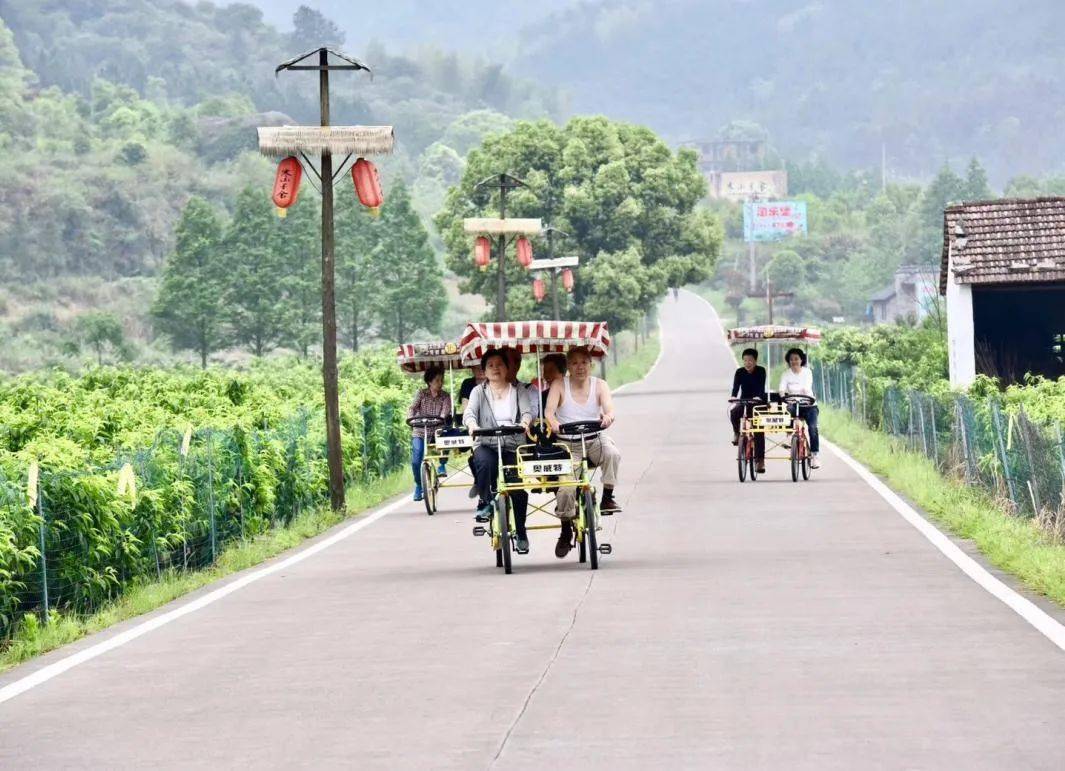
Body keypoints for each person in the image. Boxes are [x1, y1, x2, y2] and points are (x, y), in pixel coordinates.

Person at [545, 346, 621, 558]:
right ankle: (566, 528)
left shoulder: (600, 385)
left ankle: (607, 496)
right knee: (566, 489)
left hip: (594, 439)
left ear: (591, 364)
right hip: (568, 445)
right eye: (575, 363)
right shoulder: (560, 385)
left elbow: (610, 409)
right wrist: (554, 424)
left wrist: (607, 418)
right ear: (568, 366)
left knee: (613, 453)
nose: (580, 367)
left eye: (584, 362)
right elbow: (549, 412)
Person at [463, 349, 533, 553]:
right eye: (490, 365)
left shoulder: (518, 389)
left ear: (507, 367)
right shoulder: (478, 391)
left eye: (499, 364)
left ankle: (521, 532)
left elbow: (527, 411)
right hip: (486, 441)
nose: (495, 368)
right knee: (484, 463)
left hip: (512, 442)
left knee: (518, 491)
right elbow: (469, 413)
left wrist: (525, 422)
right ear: (484, 371)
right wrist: (472, 426)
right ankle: (485, 501)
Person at [407, 366, 452, 501]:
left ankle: (442, 465)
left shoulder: (445, 396)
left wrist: (442, 417)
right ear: (430, 382)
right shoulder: (421, 393)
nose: (440, 383)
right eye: (437, 380)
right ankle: (419, 485)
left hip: (437, 429)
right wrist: (411, 418)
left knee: (447, 437)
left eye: (441, 380)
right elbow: (412, 408)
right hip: (420, 429)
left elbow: (445, 410)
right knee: (416, 459)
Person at [779, 347, 821, 469]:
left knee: (812, 428)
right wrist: (783, 397)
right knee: (787, 411)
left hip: (809, 405)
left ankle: (814, 455)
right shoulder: (786, 374)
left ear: (801, 360)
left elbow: (806, 388)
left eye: (796, 359)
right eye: (791, 359)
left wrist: (800, 394)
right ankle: (789, 437)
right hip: (793, 404)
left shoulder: (807, 372)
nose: (794, 361)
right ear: (788, 361)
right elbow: (782, 389)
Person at [730, 347, 767, 474]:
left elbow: (761, 387)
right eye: (745, 360)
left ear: (755, 361)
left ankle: (760, 461)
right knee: (734, 412)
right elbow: (735, 387)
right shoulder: (739, 372)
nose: (747, 363)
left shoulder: (761, 371)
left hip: (757, 402)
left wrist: (757, 397)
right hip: (744, 400)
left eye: (750, 360)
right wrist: (734, 397)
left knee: (758, 429)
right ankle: (736, 433)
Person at [529, 353, 566, 418]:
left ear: (562, 373)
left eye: (551, 371)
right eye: (545, 371)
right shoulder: (541, 398)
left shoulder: (572, 394)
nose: (547, 375)